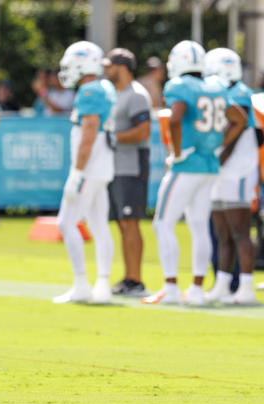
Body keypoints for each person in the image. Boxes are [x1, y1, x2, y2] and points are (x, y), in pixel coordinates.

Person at [142, 40, 247, 306]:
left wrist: (177, 152)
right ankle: (197, 290)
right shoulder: (216, 87)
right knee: (200, 227)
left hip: (186, 165)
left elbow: (175, 118)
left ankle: (171, 287)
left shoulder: (180, 86)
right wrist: (216, 143)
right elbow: (240, 120)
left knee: (163, 223)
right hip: (209, 165)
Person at [52, 41, 116, 304]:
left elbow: (88, 135)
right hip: (102, 167)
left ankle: (81, 284)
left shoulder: (89, 91)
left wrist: (77, 173)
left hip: (89, 169)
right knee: (100, 225)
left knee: (66, 222)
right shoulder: (104, 88)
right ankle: (103, 284)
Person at [202, 48, 258, 305]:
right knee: (222, 231)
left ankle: (246, 286)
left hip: (238, 170)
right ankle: (222, 283)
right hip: (221, 169)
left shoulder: (240, 93)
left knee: (240, 231)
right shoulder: (220, 91)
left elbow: (239, 125)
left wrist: (220, 154)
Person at [102, 48, 152, 297]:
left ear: (122, 67)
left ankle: (137, 279)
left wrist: (110, 138)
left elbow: (143, 131)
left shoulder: (136, 95)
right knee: (123, 224)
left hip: (131, 167)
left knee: (130, 223)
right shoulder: (117, 94)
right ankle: (129, 277)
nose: (105, 70)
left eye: (109, 66)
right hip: (117, 167)